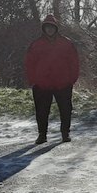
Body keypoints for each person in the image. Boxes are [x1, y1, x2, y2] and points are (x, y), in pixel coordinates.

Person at [24, 14, 80, 144]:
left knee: (66, 110)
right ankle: (42, 135)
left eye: (52, 27)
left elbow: (74, 62)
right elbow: (29, 63)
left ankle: (65, 133)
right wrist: (33, 80)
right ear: (44, 29)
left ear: (56, 28)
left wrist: (72, 79)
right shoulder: (36, 44)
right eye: (47, 27)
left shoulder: (66, 43)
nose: (49, 29)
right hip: (42, 84)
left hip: (63, 82)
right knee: (41, 111)